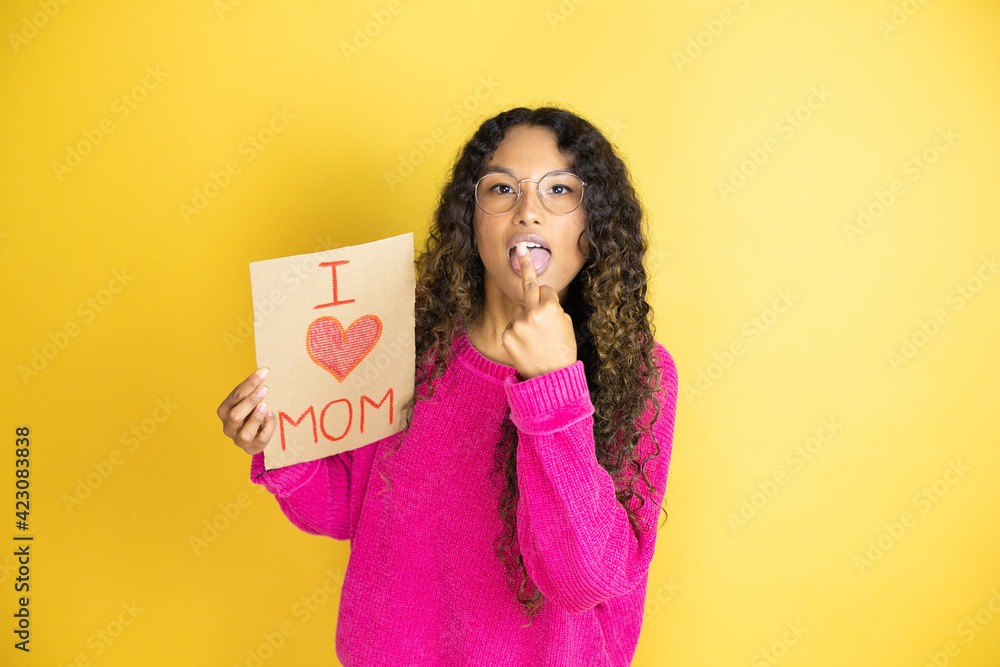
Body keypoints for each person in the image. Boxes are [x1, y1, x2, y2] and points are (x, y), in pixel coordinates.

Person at [217, 106, 679, 667]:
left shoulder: (639, 375)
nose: (528, 210)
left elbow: (583, 581)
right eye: (502, 188)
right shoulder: (406, 340)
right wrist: (284, 445)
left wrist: (554, 386)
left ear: (594, 225)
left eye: (559, 190)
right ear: (472, 219)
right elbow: (349, 510)